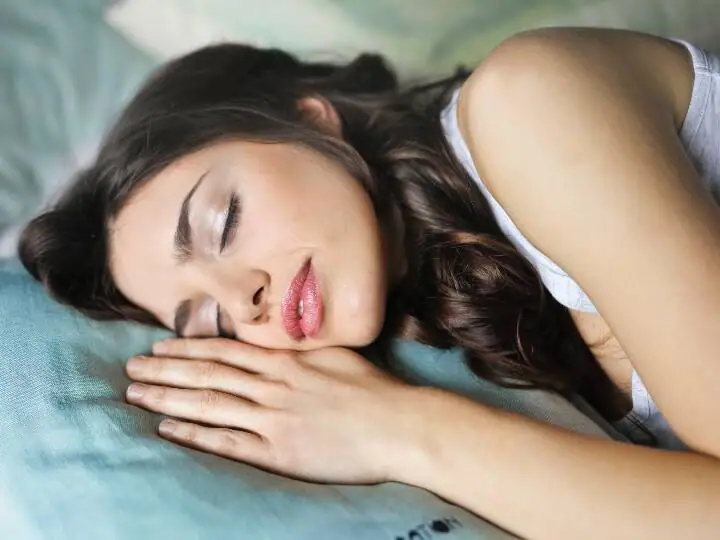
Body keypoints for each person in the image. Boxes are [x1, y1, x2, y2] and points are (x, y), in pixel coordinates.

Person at [18, 26, 720, 538]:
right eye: (212, 322)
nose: (243, 299)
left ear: (311, 119)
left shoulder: (531, 98)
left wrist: (397, 430)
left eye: (223, 222)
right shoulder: (456, 317)